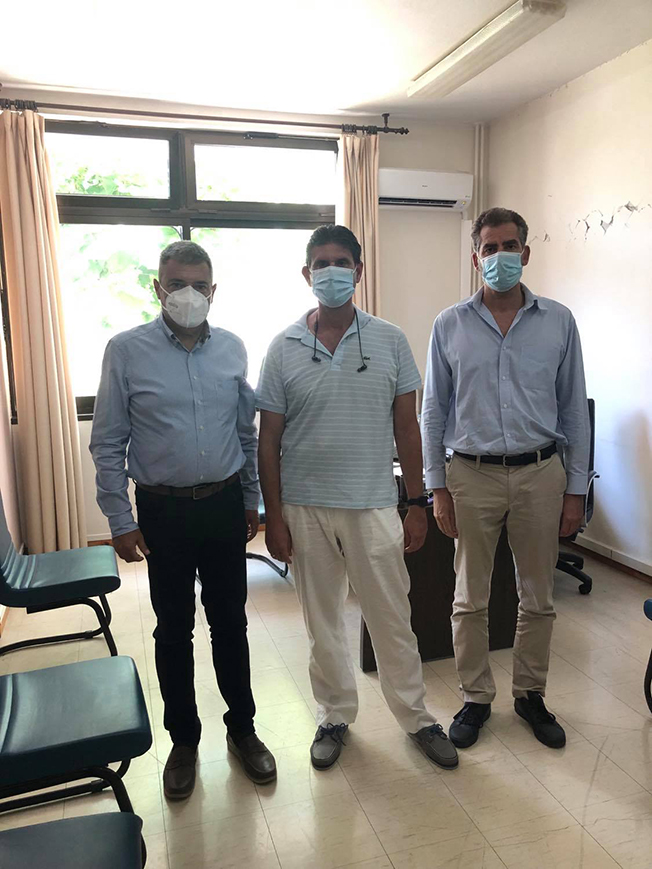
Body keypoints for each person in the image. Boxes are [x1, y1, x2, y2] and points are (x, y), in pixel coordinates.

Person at [256, 224, 458, 771]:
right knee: (322, 624)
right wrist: (274, 519)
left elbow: (408, 429)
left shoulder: (389, 340)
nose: (331, 272)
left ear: (359, 271)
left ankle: (416, 717)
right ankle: (334, 715)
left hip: (372, 504)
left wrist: (416, 503)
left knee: (392, 617)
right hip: (305, 507)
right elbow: (268, 439)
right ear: (306, 274)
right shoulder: (283, 346)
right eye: (321, 263)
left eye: (341, 262)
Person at [90, 241, 276, 798]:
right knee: (173, 629)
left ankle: (242, 730)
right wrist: (120, 519)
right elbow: (107, 442)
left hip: (223, 503)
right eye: (176, 284)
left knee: (231, 624)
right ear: (158, 288)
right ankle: (184, 741)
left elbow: (244, 433)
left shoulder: (233, 349)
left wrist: (251, 501)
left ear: (214, 291)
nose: (188, 295)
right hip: (162, 510)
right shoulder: (126, 351)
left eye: (199, 285)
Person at [421, 207, 590, 751]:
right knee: (469, 598)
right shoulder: (449, 324)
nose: (500, 257)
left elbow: (574, 411)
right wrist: (436, 487)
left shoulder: (558, 321)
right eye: (489, 248)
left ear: (526, 252)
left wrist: (576, 489)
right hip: (471, 475)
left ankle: (530, 694)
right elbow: (433, 411)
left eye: (509, 246)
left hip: (541, 473)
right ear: (477, 258)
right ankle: (475, 697)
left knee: (537, 596)